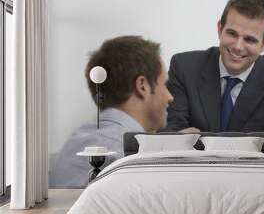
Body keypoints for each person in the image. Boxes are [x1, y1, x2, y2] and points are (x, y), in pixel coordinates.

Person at [165, 0, 264, 161]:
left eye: (250, 39)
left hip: (251, 181)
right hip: (192, 175)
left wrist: (195, 142)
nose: (238, 46)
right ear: (220, 29)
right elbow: (170, 137)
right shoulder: (184, 67)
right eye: (232, 34)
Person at [50, 36, 173, 188]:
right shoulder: (127, 156)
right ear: (143, 86)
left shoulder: (76, 142)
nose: (170, 97)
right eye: (165, 84)